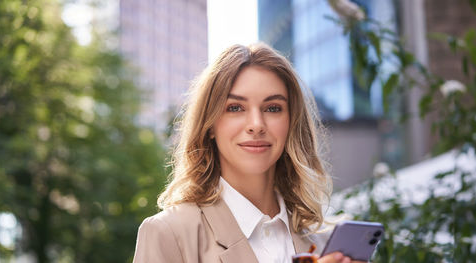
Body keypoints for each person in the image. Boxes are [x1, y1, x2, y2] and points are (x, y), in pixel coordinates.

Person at [133, 43, 364, 263]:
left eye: (273, 108)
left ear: (291, 122)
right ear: (210, 124)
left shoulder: (325, 241)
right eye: (235, 108)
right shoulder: (168, 234)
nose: (256, 124)